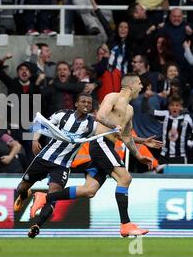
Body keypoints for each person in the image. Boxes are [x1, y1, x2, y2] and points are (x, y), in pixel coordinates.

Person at [31, 74, 159, 237]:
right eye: (140, 83)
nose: (142, 87)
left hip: (108, 145)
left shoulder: (130, 110)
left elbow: (126, 136)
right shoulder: (113, 97)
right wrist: (114, 126)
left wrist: (140, 149)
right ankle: (125, 224)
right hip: (101, 144)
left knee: (89, 190)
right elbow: (100, 116)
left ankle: (45, 197)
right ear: (131, 86)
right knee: (125, 178)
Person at [13, 93, 96, 238]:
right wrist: (35, 140)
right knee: (22, 187)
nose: (87, 105)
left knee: (53, 196)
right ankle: (24, 194)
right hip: (44, 158)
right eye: (83, 102)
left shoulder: (92, 125)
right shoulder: (62, 115)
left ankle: (36, 225)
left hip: (63, 165)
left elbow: (109, 134)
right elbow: (41, 123)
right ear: (76, 104)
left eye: (89, 103)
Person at [153, 95, 193, 164]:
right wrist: (145, 99)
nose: (174, 107)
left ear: (181, 107)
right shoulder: (165, 115)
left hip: (180, 156)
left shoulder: (187, 118)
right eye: (172, 105)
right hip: (164, 156)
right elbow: (147, 110)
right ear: (169, 107)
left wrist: (190, 142)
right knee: (161, 174)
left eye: (177, 105)